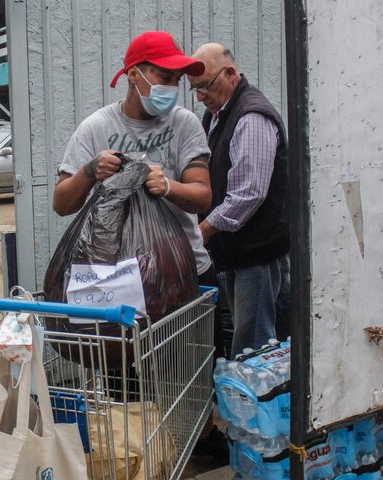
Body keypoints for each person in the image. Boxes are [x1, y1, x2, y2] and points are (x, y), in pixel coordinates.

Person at [53, 30, 229, 458]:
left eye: (177, 78)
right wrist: (90, 172)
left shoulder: (184, 124)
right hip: (117, 279)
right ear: (134, 75)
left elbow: (203, 194)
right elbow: (62, 202)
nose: (171, 86)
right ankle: (134, 457)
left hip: (182, 273)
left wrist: (166, 185)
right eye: (163, 75)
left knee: (188, 371)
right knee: (124, 378)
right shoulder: (97, 128)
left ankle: (195, 445)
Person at [191, 43, 289, 356]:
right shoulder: (218, 113)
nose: (200, 96)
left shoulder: (251, 117)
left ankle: (258, 404)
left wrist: (203, 231)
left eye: (204, 86)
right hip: (236, 252)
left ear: (230, 74)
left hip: (256, 255)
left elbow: (248, 193)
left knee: (254, 344)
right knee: (245, 336)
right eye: (194, 89)